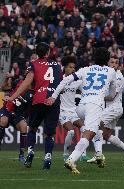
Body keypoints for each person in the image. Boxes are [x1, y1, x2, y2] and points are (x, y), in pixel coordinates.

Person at [45, 47, 116, 174]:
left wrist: (53, 96)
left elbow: (66, 80)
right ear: (107, 60)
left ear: (94, 58)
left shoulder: (85, 69)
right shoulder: (111, 71)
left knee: (98, 128)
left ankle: (99, 155)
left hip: (81, 107)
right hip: (94, 105)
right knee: (88, 134)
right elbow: (112, 95)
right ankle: (71, 159)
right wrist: (102, 96)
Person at [4, 42, 63, 170]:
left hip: (39, 99)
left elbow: (26, 83)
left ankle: (30, 151)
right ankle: (47, 158)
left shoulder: (34, 64)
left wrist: (12, 97)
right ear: (48, 52)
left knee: (32, 129)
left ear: (37, 53)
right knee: (49, 134)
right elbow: (61, 84)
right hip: (53, 100)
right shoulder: (57, 66)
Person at [87, 57, 124, 165]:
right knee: (106, 134)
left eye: (116, 63)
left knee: (95, 125)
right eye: (112, 62)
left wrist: (95, 95)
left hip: (114, 108)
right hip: (111, 108)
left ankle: (98, 154)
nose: (114, 64)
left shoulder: (118, 77)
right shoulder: (109, 74)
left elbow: (112, 96)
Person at [59, 55, 90, 161]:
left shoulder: (77, 81)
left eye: (74, 67)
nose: (73, 69)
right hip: (62, 111)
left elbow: (86, 91)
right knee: (71, 132)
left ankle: (82, 154)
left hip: (73, 111)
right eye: (70, 67)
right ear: (64, 68)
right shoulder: (59, 79)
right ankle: (65, 154)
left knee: (84, 129)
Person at [0, 79, 33, 162]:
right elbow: (8, 89)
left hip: (18, 115)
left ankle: (21, 154)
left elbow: (28, 110)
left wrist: (23, 117)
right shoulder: (18, 82)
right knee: (3, 121)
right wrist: (7, 94)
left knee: (24, 126)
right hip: (7, 109)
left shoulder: (33, 93)